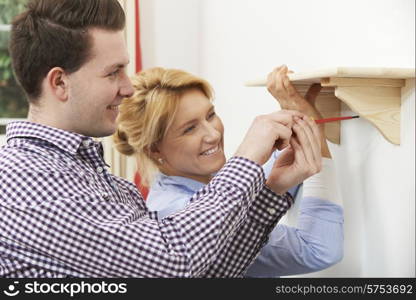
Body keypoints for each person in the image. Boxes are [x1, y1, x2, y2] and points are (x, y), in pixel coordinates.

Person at [0, 0, 321, 277]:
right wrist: (247, 159)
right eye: (113, 73)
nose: (127, 87)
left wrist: (271, 189)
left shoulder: (100, 180)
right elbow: (173, 263)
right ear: (59, 83)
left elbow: (201, 276)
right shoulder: (24, 179)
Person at [114, 67, 344, 277]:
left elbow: (266, 181)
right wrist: (316, 138)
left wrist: (300, 124)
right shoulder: (178, 214)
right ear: (154, 149)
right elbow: (318, 250)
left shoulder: (203, 180)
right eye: (190, 128)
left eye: (210, 115)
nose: (213, 134)